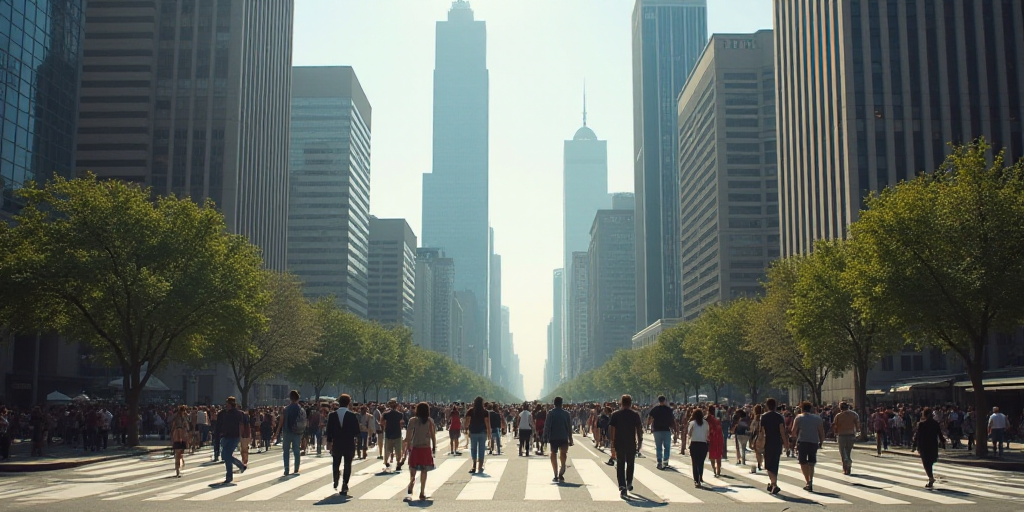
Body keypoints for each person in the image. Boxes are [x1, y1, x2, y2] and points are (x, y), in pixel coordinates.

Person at [609, 394, 643, 498]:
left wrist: (612, 442)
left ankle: (622, 486)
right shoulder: (635, 415)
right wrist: (640, 441)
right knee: (630, 463)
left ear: (621, 402)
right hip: (631, 442)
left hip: (619, 442)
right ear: (630, 403)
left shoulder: (615, 414)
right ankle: (629, 482)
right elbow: (639, 429)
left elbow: (612, 429)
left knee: (620, 464)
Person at [326, 394, 361, 495]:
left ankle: (336, 477)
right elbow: (356, 431)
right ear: (348, 403)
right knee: (347, 464)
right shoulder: (352, 415)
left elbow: (329, 431)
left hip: (337, 442)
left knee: (336, 462)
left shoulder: (332, 415)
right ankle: (345, 484)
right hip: (349, 442)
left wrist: (329, 442)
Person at [404, 402, 437, 502]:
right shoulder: (429, 421)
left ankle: (412, 481)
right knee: (424, 470)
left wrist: (408, 446)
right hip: (425, 447)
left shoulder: (413, 420)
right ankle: (422, 492)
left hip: (415, 446)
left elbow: (408, 435)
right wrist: (434, 446)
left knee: (413, 467)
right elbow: (433, 435)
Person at [791, 401, 825, 492]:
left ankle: (807, 481)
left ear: (801, 408)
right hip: (814, 442)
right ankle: (811, 480)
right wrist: (821, 442)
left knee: (802, 462)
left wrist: (794, 441)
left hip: (802, 441)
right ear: (811, 409)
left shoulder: (799, 417)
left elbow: (793, 431)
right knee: (811, 462)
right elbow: (821, 432)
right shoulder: (817, 418)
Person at [758, 398, 789, 495]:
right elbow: (782, 431)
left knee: (768, 464)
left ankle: (774, 484)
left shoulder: (764, 417)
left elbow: (762, 431)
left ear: (767, 406)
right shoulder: (779, 417)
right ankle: (773, 483)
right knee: (775, 463)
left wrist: (759, 442)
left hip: (768, 441)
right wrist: (786, 444)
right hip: (777, 442)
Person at [217, 396, 247, 485]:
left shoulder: (238, 413)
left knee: (227, 455)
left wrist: (241, 436)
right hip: (226, 436)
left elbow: (241, 425)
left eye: (227, 403)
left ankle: (230, 475)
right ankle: (240, 466)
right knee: (225, 456)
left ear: (231, 404)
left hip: (234, 436)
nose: (226, 405)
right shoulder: (225, 413)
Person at [913, 407, 945, 488]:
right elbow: (940, 434)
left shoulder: (921, 424)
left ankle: (931, 477)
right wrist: (943, 441)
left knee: (926, 463)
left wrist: (914, 445)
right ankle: (931, 477)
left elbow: (917, 436)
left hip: (924, 446)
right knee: (930, 462)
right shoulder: (935, 423)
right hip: (933, 445)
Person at [544, 397, 573, 481]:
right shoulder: (566, 414)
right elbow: (569, 427)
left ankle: (555, 473)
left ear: (554, 403)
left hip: (553, 437)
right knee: (563, 453)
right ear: (561, 403)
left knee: (553, 453)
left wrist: (544, 437)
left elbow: (547, 426)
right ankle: (562, 467)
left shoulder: (550, 413)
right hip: (564, 436)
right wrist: (570, 438)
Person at [465, 397, 491, 474]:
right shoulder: (485, 412)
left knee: (473, 449)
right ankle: (480, 466)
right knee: (481, 449)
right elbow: (487, 424)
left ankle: (474, 465)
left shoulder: (470, 411)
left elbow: (467, 422)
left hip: (473, 432)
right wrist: (489, 434)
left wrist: (466, 429)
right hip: (482, 432)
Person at [647, 395, 675, 470]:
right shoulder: (668, 409)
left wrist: (648, 426)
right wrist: (674, 429)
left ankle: (659, 460)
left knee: (658, 446)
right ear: (665, 400)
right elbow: (672, 420)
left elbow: (650, 418)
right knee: (667, 446)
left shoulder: (655, 409)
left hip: (657, 430)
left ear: (658, 400)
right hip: (666, 429)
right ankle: (665, 460)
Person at [832, 401, 859, 475]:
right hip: (851, 434)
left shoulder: (838, 416)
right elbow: (857, 424)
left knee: (842, 452)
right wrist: (857, 432)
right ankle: (848, 462)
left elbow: (835, 425)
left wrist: (835, 432)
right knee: (848, 451)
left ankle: (845, 466)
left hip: (841, 435)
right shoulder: (854, 414)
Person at [687, 409, 709, 489]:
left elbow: (689, 434)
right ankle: (700, 476)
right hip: (703, 444)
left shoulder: (692, 423)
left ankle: (696, 480)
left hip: (694, 444)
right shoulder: (706, 423)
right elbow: (707, 434)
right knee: (701, 462)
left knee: (695, 463)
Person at [381, 400, 405, 472]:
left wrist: (385, 427)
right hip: (397, 433)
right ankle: (398, 462)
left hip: (388, 433)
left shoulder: (385, 414)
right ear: (397, 406)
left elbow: (381, 422)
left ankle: (386, 461)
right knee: (398, 450)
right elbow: (401, 423)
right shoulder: (400, 414)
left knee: (387, 449)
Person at [170, 405, 189, 477]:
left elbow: (172, 427)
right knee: (178, 454)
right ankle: (178, 470)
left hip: (178, 436)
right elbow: (187, 427)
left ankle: (178, 469)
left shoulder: (179, 418)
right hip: (181, 436)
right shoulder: (182, 418)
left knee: (178, 454)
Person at [706, 405, 724, 477]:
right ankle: (718, 470)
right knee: (718, 455)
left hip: (712, 439)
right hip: (719, 438)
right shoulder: (718, 419)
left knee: (712, 455)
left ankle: (714, 469)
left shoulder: (707, 418)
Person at [749, 404, 764, 473]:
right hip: (764, 436)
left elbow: (752, 429)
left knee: (757, 451)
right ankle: (763, 462)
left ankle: (759, 464)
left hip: (757, 436)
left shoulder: (755, 419)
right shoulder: (763, 417)